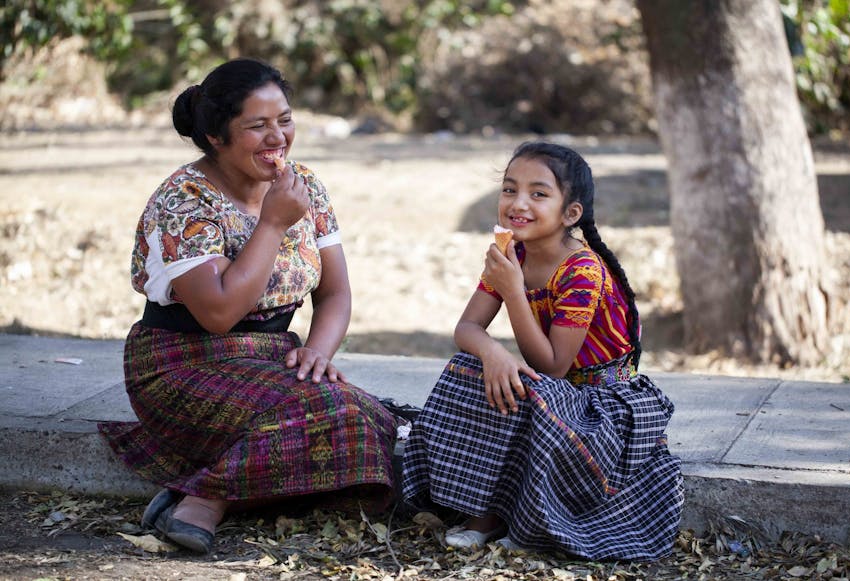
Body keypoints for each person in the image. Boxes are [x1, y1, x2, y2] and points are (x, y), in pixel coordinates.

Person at [98, 58, 397, 554]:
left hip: (268, 360)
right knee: (332, 412)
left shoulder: (305, 186)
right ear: (217, 136)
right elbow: (218, 314)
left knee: (373, 418)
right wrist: (273, 225)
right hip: (182, 363)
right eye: (256, 126)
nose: (276, 138)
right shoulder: (184, 200)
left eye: (284, 120)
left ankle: (196, 489)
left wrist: (319, 351)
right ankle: (209, 501)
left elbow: (336, 292)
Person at [401, 141, 683, 561]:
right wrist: (495, 353)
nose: (518, 203)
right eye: (509, 189)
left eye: (538, 193)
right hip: (556, 393)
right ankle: (485, 512)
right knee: (469, 369)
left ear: (571, 213)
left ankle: (525, 521)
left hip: (602, 404)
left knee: (533, 391)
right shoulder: (510, 252)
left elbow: (551, 366)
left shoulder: (582, 272)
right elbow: (467, 328)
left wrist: (513, 290)